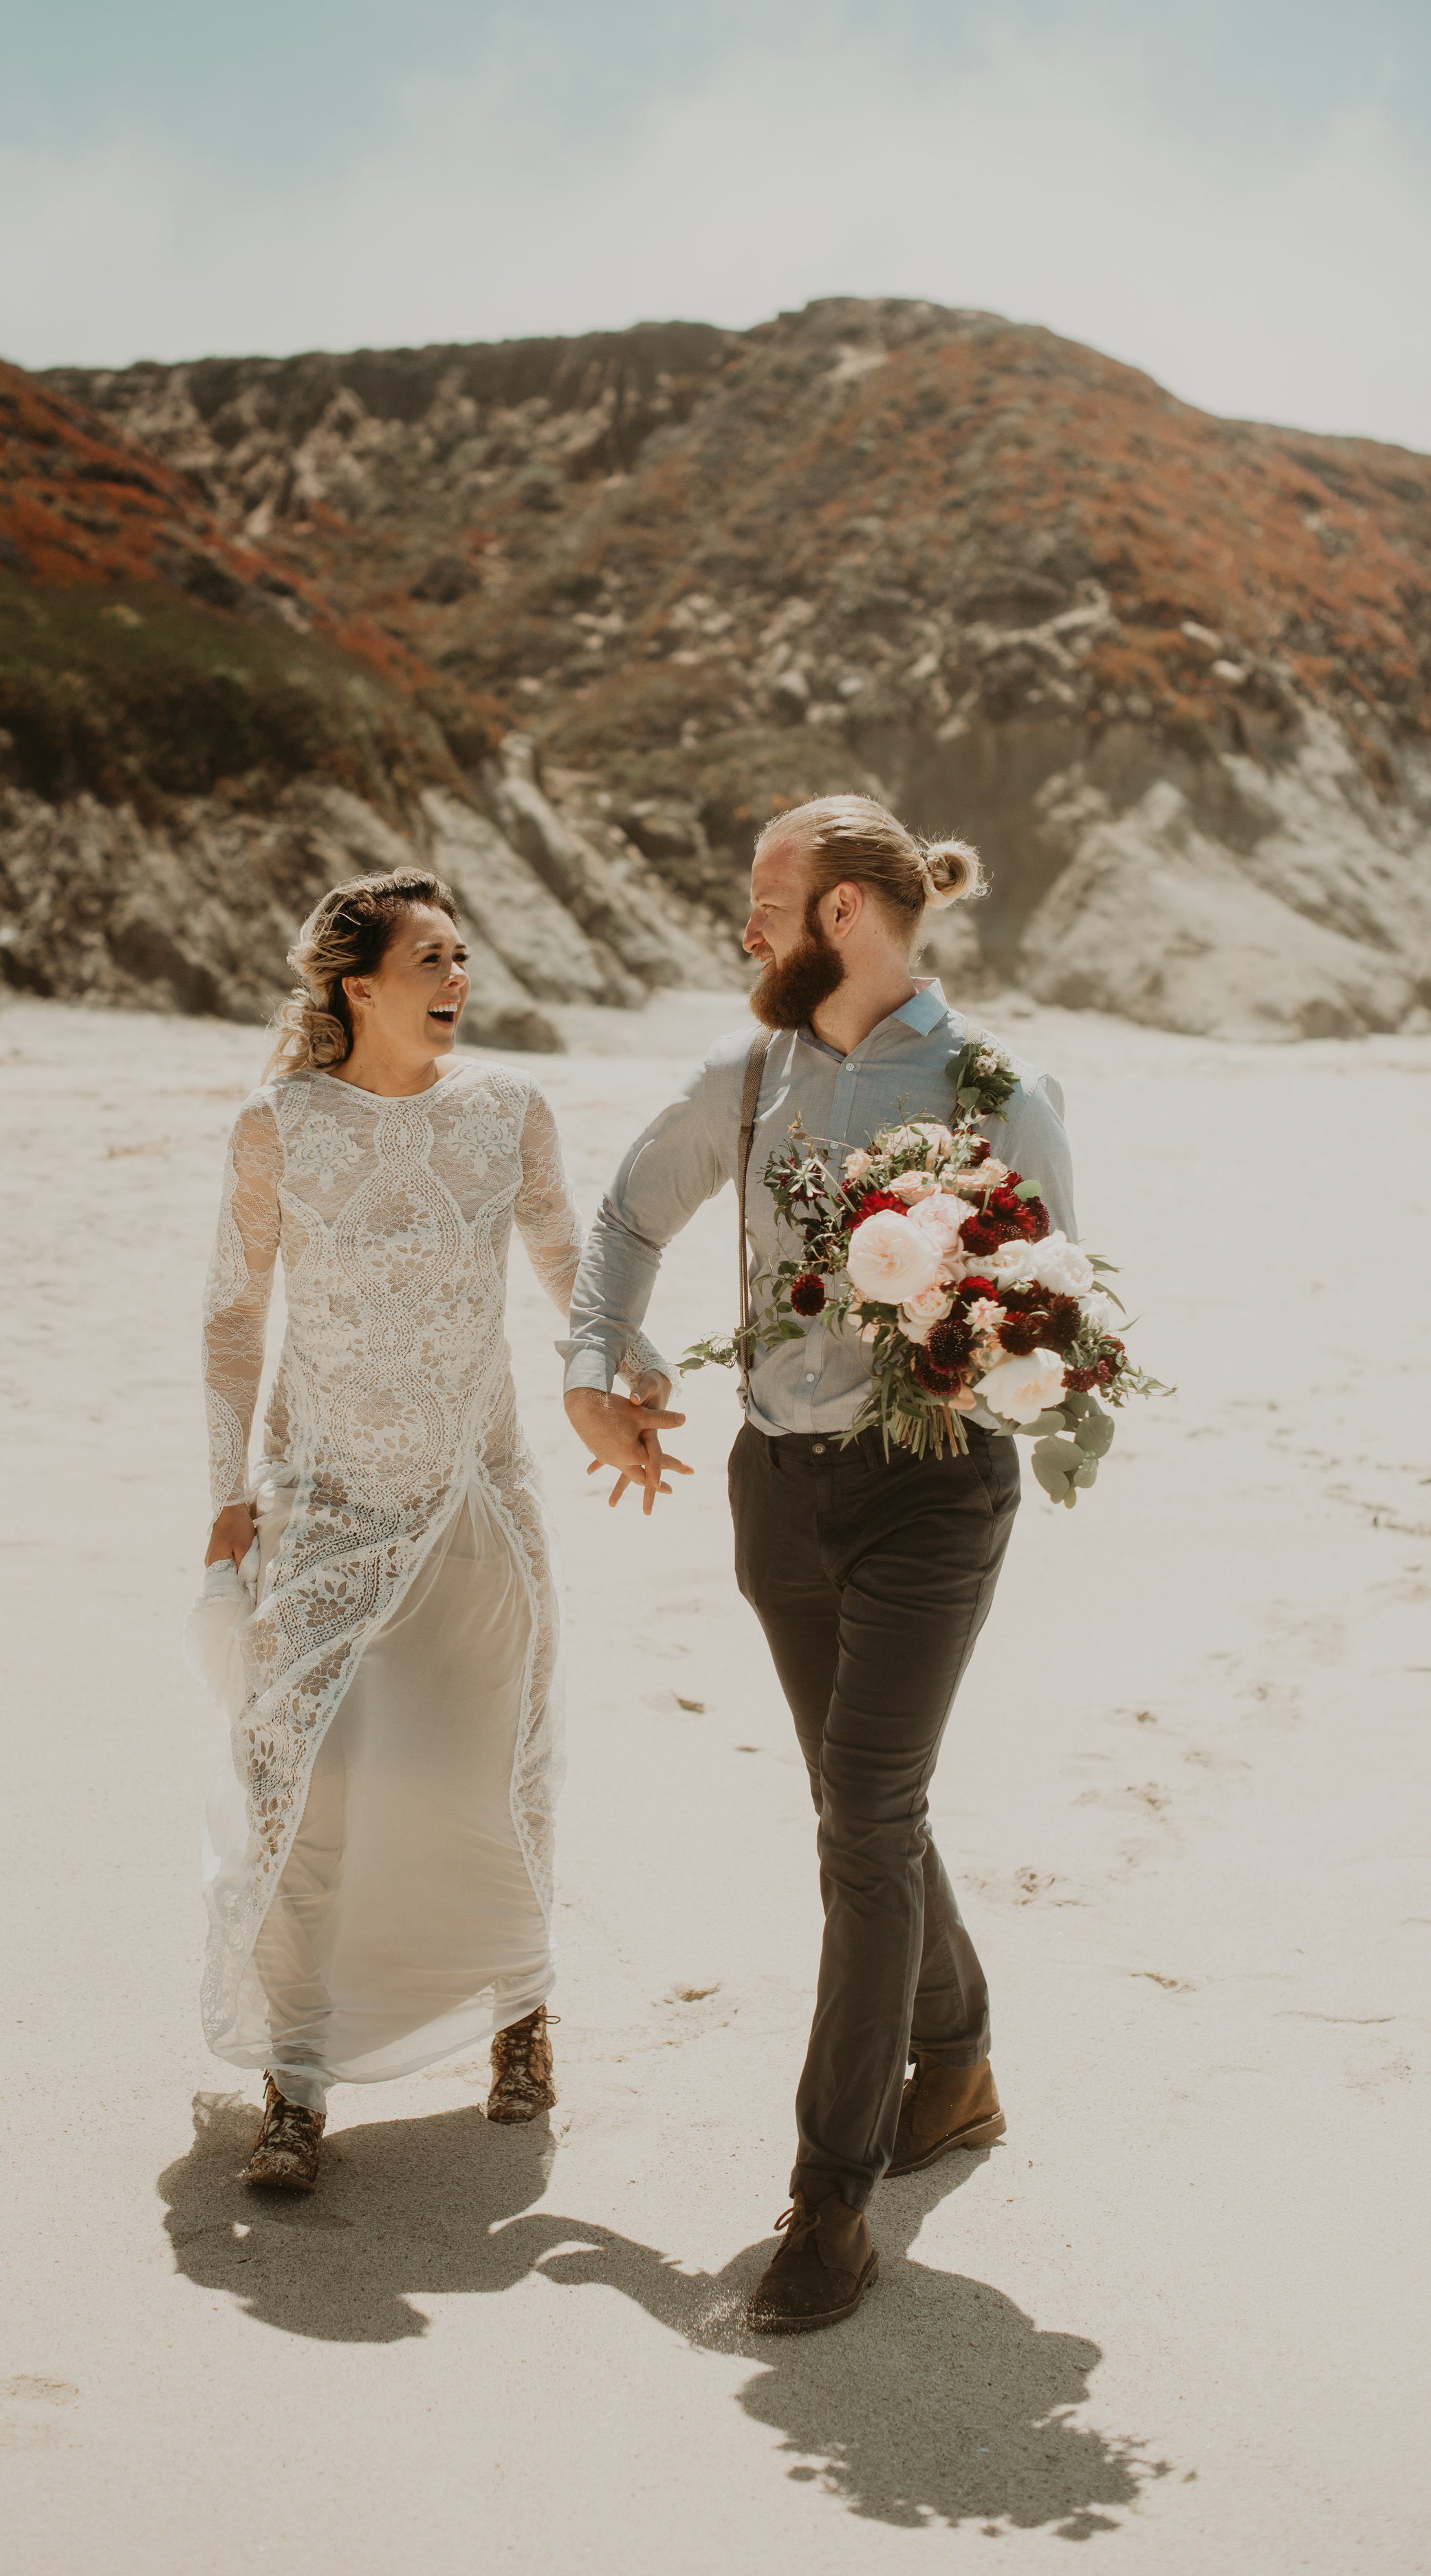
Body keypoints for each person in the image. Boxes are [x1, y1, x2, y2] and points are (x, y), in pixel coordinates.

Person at [561, 795, 1075, 2333]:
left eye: (763, 900)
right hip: (773, 1498)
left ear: (843, 911)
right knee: (865, 1805)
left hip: (931, 1497)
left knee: (860, 1821)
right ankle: (960, 2056)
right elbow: (623, 1218)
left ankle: (829, 2200)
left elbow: (1061, 1312)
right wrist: (599, 1360)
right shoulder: (744, 1080)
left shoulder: (997, 1086)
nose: (745, 929)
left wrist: (983, 1345)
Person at [184, 866, 674, 2191]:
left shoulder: (506, 1110)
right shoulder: (277, 1122)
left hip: (474, 1485)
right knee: (301, 1767)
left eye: (463, 958)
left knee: (495, 1761)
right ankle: (294, 2078)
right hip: (323, 1492)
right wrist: (228, 1487)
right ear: (358, 984)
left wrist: (628, 1364)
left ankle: (523, 2016)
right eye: (432, 961)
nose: (459, 981)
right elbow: (234, 1312)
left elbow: (571, 1264)